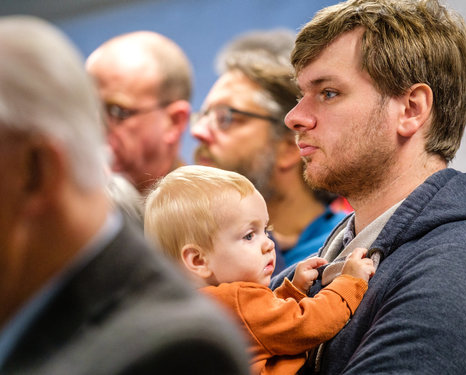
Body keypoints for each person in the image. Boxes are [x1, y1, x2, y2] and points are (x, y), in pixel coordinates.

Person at [0, 15, 251, 375]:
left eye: (116, 112)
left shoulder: (173, 349)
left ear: (38, 170)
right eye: (89, 109)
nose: (95, 130)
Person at [270, 0, 466, 373]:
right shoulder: (326, 261)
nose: (295, 117)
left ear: (411, 109)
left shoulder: (450, 277)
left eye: (329, 93)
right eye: (302, 94)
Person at [144, 165, 375, 375]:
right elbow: (306, 324)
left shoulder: (184, 309)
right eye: (249, 235)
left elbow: (265, 326)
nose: (268, 243)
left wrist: (293, 291)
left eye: (266, 229)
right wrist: (349, 283)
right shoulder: (238, 300)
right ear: (198, 260)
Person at [191, 29, 348, 274]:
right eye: (202, 116)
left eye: (225, 117)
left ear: (289, 146)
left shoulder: (344, 254)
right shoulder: (193, 254)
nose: (198, 131)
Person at [85, 30, 191, 195]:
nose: (98, 126)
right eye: (90, 108)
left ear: (175, 122)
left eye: (117, 112)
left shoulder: (207, 216)